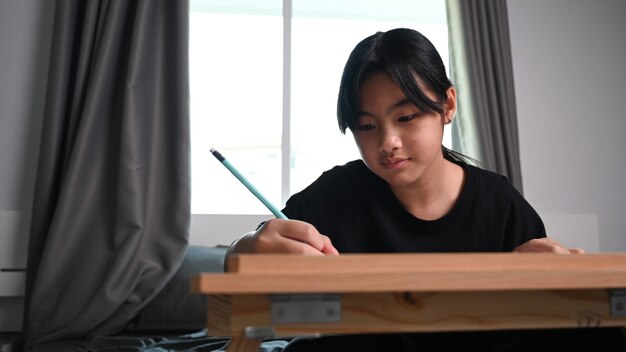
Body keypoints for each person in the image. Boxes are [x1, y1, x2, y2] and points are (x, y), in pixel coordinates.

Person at [225, 28, 625, 351]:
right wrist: (246, 248)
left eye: (407, 116)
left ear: (448, 105)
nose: (388, 141)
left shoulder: (498, 203)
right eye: (367, 126)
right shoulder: (336, 194)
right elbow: (243, 278)